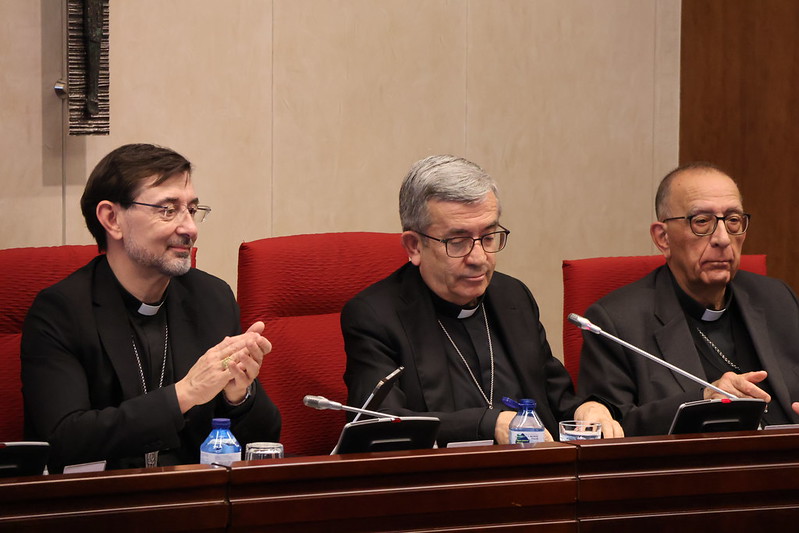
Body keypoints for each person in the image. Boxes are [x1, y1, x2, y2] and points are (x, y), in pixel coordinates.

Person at [21, 143, 281, 472]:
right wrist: (185, 393)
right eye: (168, 210)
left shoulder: (211, 298)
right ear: (112, 219)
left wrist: (239, 396)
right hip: (104, 498)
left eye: (192, 210)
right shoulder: (61, 311)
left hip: (197, 495)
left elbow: (265, 441)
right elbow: (64, 440)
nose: (190, 228)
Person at [342, 155, 622, 446]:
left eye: (489, 237)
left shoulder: (512, 297)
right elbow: (380, 424)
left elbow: (556, 399)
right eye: (457, 242)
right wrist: (489, 424)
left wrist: (587, 409)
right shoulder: (375, 316)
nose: (479, 258)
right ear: (414, 246)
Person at [578, 162, 799, 436]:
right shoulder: (616, 322)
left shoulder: (777, 298)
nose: (723, 239)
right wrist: (704, 400)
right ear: (663, 238)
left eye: (733, 220)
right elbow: (613, 427)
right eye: (702, 222)